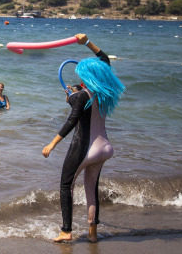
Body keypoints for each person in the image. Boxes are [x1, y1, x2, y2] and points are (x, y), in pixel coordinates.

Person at [42, 34, 125, 243]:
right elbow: (105, 61)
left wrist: (52, 143)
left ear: (86, 77)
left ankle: (66, 230)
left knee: (65, 185)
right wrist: (88, 42)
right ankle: (93, 234)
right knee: (91, 188)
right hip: (104, 148)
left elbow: (72, 121)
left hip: (85, 148)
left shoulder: (80, 96)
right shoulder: (105, 93)